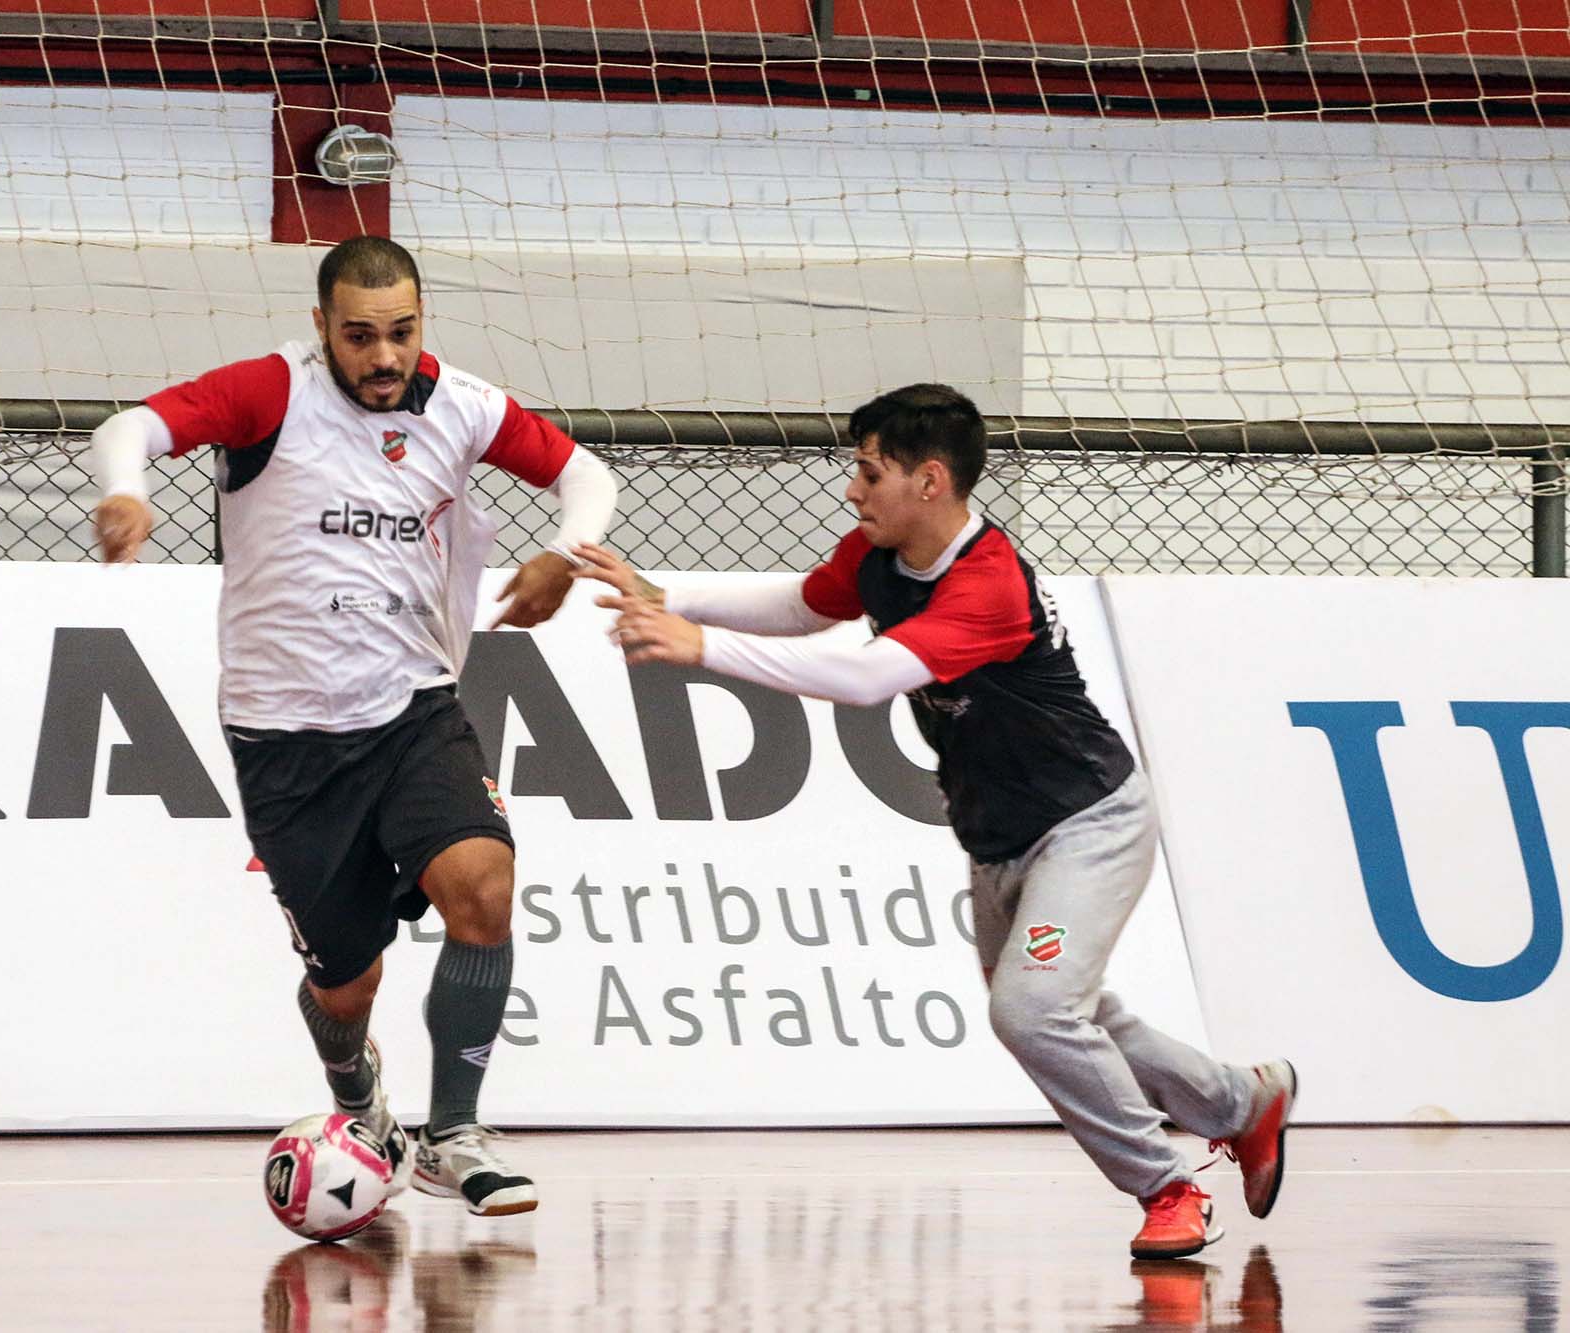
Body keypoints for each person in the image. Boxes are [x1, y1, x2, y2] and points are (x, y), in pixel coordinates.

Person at [574, 383, 1293, 1259]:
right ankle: (1239, 1102)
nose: (852, 489)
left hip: (1087, 821)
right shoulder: (881, 553)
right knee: (1066, 1009)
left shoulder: (987, 582)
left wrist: (703, 650)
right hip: (993, 833)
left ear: (931, 481)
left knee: (1031, 1012)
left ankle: (1165, 1184)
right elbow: (806, 606)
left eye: (869, 472)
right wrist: (674, 596)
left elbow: (869, 678)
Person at [85, 235, 618, 1217]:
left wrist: (565, 551)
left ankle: (451, 1133)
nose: (383, 357)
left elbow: (585, 475)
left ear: (423, 324)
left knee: (483, 885)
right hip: (283, 738)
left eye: (401, 333)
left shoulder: (460, 403)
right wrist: (128, 489)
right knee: (345, 986)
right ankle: (354, 1095)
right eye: (360, 335)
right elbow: (132, 428)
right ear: (323, 326)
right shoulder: (269, 393)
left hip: (413, 707)